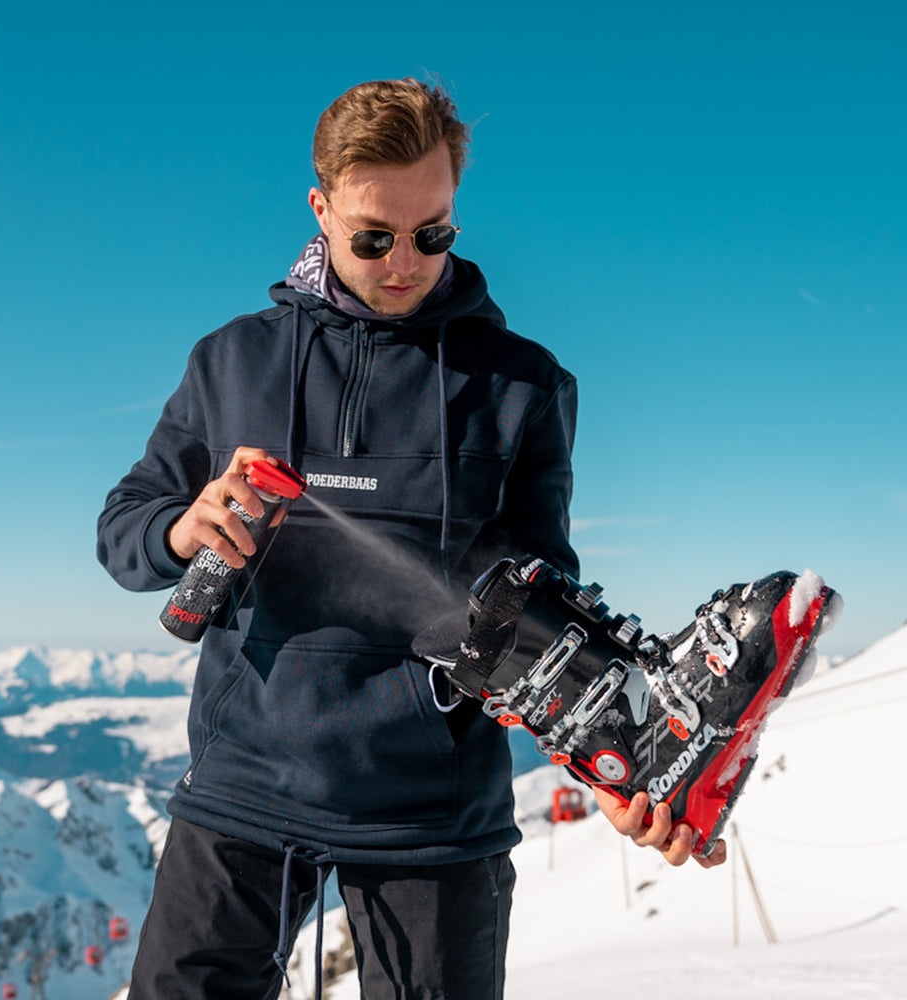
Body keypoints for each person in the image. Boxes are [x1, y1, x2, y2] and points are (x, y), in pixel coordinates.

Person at [97, 77, 724, 1000]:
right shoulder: (232, 360)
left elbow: (541, 603)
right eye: (373, 236)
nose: (405, 261)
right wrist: (179, 526)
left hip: (434, 817)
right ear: (321, 209)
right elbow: (123, 528)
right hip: (241, 791)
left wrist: (621, 766)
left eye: (433, 233)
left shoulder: (521, 384)